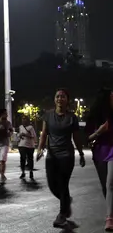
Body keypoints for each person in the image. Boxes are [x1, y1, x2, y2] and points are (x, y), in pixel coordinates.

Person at [36, 88, 85, 228]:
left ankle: (62, 214)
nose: (60, 99)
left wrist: (81, 153)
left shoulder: (72, 117)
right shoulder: (48, 115)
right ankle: (66, 201)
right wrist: (40, 149)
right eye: (57, 96)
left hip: (66, 155)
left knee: (63, 184)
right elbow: (44, 134)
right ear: (54, 99)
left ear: (67, 100)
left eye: (63, 97)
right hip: (51, 155)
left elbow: (76, 137)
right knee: (52, 184)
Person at [85, 88, 113, 230]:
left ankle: (109, 218)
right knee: (105, 186)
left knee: (110, 183)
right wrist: (99, 131)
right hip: (101, 151)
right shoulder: (97, 117)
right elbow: (87, 138)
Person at [17, 115, 37, 180]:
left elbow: (33, 136)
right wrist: (20, 135)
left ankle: (31, 172)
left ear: (27, 120)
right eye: (22, 119)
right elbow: (19, 134)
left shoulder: (30, 127)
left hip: (30, 146)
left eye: (25, 119)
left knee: (30, 159)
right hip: (22, 145)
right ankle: (23, 172)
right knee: (22, 158)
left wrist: (26, 135)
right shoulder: (20, 127)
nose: (23, 120)